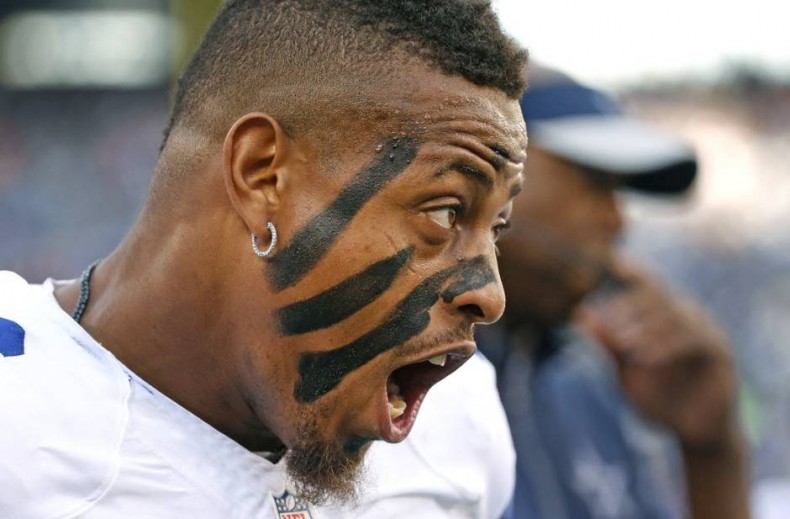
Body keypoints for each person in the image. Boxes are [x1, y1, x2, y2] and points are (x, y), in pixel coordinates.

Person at [0, 1, 528, 517]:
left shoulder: (459, 425)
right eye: (444, 214)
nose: (491, 296)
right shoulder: (19, 426)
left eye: (496, 228)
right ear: (261, 176)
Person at [479, 65, 751, 519]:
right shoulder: (397, 396)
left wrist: (711, 451)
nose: (618, 221)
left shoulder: (579, 385)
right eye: (595, 182)